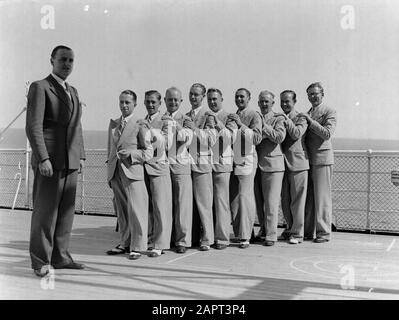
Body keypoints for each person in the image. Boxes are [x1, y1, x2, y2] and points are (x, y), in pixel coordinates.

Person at [25, 45, 86, 277]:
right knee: (45, 213)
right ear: (52, 60)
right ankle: (40, 261)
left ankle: (60, 257)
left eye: (71, 60)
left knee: (65, 213)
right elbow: (33, 126)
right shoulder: (40, 87)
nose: (67, 64)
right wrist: (43, 158)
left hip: (70, 161)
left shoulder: (73, 91)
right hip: (49, 161)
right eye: (63, 59)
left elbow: (76, 126)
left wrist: (80, 155)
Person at [106, 90, 153, 260]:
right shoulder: (113, 124)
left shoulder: (140, 124)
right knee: (122, 211)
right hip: (116, 172)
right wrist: (109, 174)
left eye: (127, 102)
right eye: (121, 102)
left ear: (135, 104)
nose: (124, 105)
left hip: (133, 171)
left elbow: (149, 153)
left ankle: (138, 246)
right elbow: (110, 150)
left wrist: (131, 154)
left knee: (137, 210)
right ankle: (125, 242)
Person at [298, 82, 337, 243]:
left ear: (322, 94)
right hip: (308, 160)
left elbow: (327, 133)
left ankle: (324, 233)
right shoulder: (308, 112)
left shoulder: (329, 111)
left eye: (316, 93)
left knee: (322, 198)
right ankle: (308, 232)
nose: (313, 96)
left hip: (322, 159)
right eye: (310, 94)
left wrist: (310, 121)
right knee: (309, 199)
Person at [228, 88, 262, 249]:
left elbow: (257, 138)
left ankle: (245, 236)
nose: (239, 99)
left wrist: (240, 124)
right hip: (233, 160)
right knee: (234, 199)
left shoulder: (254, 115)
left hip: (247, 160)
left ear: (249, 98)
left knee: (245, 197)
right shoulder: (234, 114)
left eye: (242, 96)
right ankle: (241, 232)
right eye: (237, 96)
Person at [162, 87, 194, 253]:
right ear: (165, 100)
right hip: (163, 167)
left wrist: (173, 123)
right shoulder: (159, 119)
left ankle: (182, 241)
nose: (173, 102)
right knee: (166, 204)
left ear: (181, 102)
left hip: (180, 165)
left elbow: (186, 139)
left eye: (176, 100)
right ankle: (167, 238)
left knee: (183, 204)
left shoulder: (186, 119)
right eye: (169, 99)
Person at [185, 83, 215, 251]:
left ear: (203, 97)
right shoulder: (186, 115)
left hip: (202, 164)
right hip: (187, 164)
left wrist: (194, 129)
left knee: (204, 203)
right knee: (191, 205)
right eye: (191, 94)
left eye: (196, 94)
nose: (193, 97)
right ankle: (194, 236)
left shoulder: (208, 115)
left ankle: (207, 238)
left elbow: (211, 140)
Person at [143, 90, 173, 257]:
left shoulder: (166, 121)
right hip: (144, 168)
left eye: (153, 102)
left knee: (161, 207)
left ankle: (160, 244)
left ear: (160, 103)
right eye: (148, 101)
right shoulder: (142, 121)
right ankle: (148, 238)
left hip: (160, 168)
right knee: (148, 208)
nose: (150, 105)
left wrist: (150, 131)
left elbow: (167, 144)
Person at [206, 88, 237, 250]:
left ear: (222, 99)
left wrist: (217, 123)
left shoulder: (228, 117)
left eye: (215, 99)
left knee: (221, 203)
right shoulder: (204, 117)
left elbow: (231, 138)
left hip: (222, 166)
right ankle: (208, 237)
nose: (212, 102)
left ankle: (222, 238)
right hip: (205, 166)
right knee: (207, 204)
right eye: (210, 99)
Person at [255, 91, 286, 246]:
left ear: (273, 103)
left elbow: (279, 137)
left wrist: (263, 127)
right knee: (259, 202)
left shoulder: (278, 118)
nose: (264, 104)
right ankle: (264, 229)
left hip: (273, 166)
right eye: (261, 101)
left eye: (267, 101)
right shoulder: (255, 117)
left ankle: (271, 235)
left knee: (271, 203)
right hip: (256, 166)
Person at [279, 90, 309, 244]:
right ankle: (290, 228)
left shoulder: (301, 118)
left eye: (287, 101)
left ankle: (297, 234)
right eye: (282, 101)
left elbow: (297, 133)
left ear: (294, 102)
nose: (284, 104)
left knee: (297, 201)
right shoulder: (279, 118)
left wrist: (286, 120)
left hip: (299, 164)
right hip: (282, 165)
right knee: (285, 201)